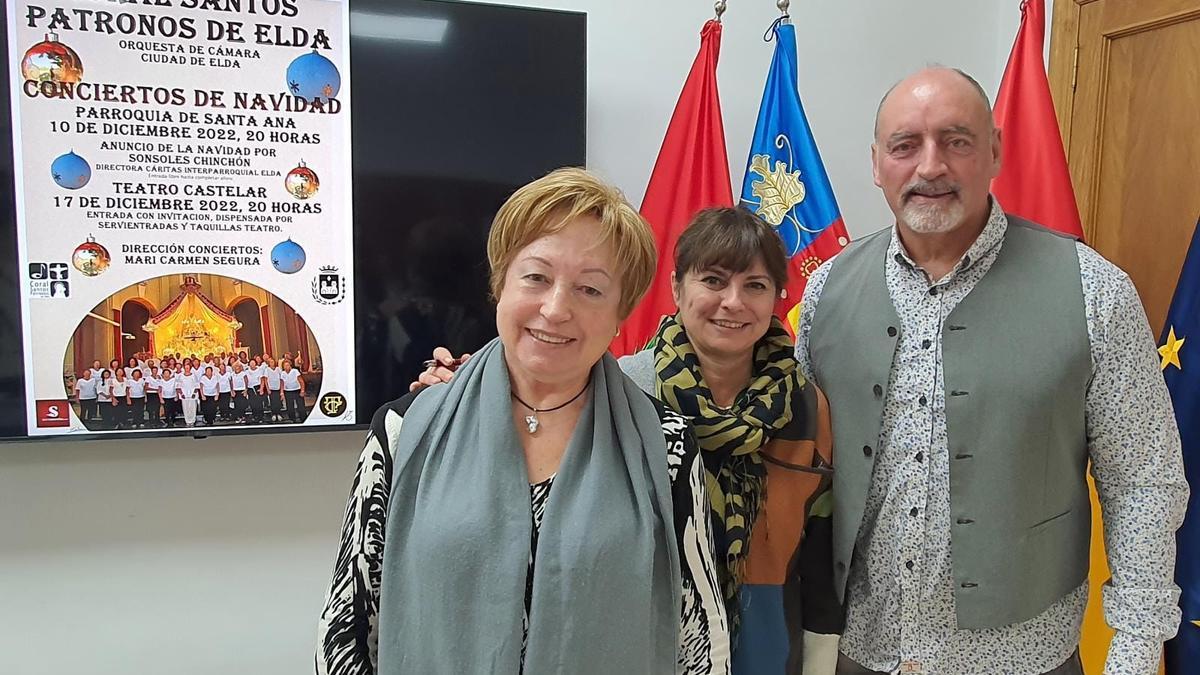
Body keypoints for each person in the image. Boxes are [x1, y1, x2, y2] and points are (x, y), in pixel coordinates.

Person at [793, 67, 1188, 675]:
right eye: (905, 145)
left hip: (1023, 661)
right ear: (877, 163)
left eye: (956, 140)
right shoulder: (825, 290)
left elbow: (1144, 481)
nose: (930, 167)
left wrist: (1134, 648)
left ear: (995, 151)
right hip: (858, 654)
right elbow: (796, 465)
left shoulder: (1095, 292)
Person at [317, 168, 731, 674]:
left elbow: (701, 636)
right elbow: (350, 623)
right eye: (536, 277)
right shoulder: (406, 431)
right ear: (500, 285)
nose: (556, 309)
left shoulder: (665, 446)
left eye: (590, 290)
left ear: (622, 312)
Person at [416, 206, 843, 672]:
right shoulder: (625, 393)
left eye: (755, 286)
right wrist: (462, 392)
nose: (733, 302)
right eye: (714, 281)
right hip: (636, 639)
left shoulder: (803, 404)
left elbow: (821, 544)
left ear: (779, 297)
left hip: (769, 644)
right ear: (677, 288)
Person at [177, 363, 199, 427]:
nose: (187, 369)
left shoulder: (193, 375)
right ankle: (187, 420)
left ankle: (192, 420)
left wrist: (194, 393)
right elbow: (178, 386)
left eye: (188, 368)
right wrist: (181, 393)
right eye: (185, 368)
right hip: (184, 394)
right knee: (185, 407)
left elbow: (196, 385)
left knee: (192, 407)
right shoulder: (181, 376)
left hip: (192, 394)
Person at [264, 358, 284, 422]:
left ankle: (279, 414)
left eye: (273, 361)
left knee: (278, 402)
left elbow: (281, 379)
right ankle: (273, 414)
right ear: (268, 363)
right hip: (271, 388)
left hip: (278, 388)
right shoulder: (267, 370)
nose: (272, 363)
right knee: (272, 402)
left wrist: (281, 389)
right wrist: (268, 389)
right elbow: (265, 380)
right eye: (270, 362)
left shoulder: (278, 369)